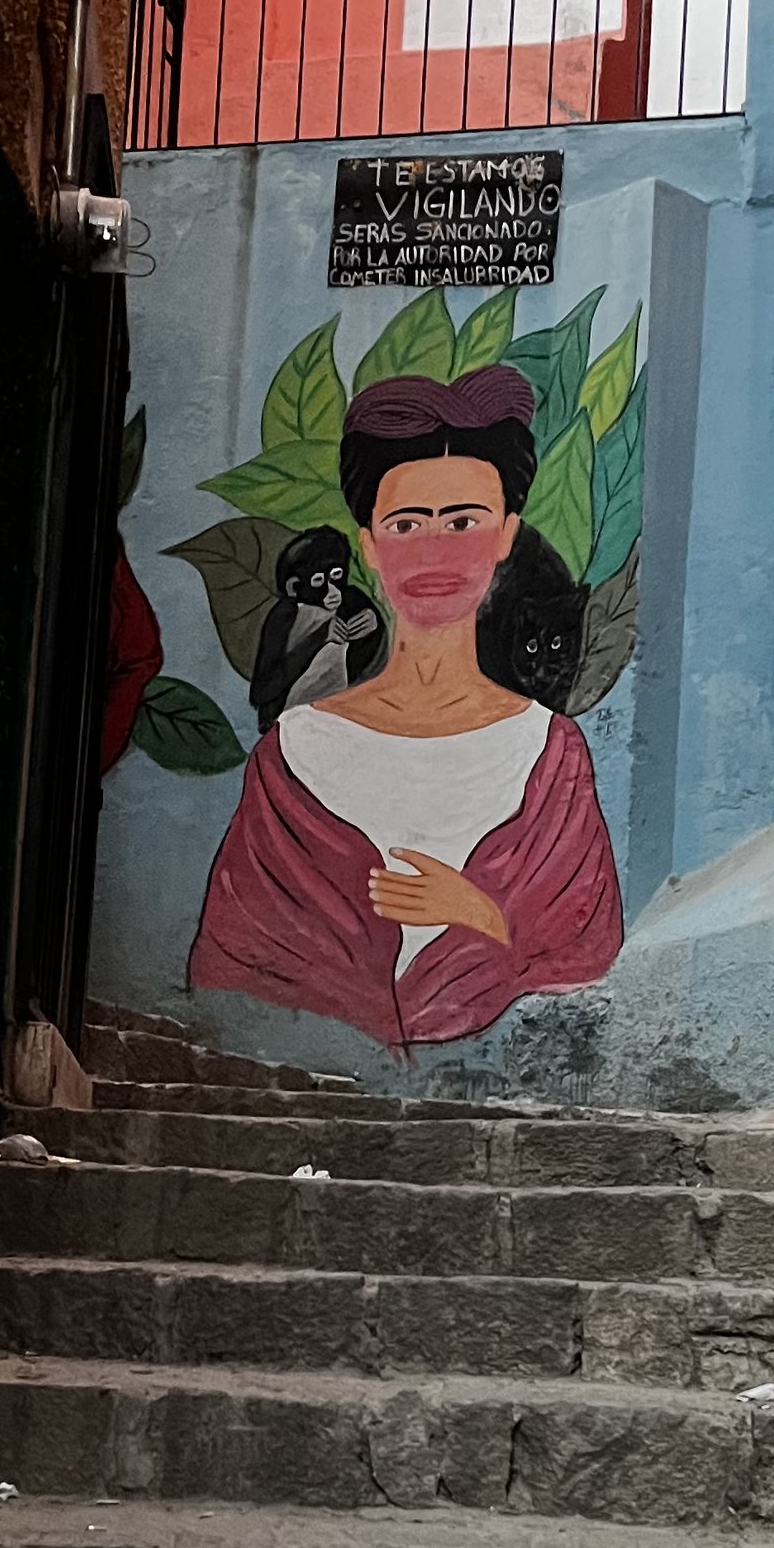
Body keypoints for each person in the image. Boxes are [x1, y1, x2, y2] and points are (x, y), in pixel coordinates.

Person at [188, 364, 621, 1047]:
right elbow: (234, 973)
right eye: (406, 523)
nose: (434, 551)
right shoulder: (291, 757)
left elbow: (585, 963)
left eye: (463, 521)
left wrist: (478, 913)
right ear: (369, 546)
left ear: (506, 535)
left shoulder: (551, 756)